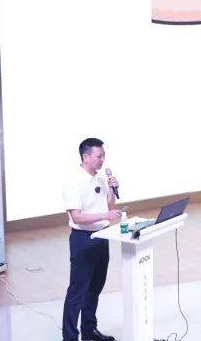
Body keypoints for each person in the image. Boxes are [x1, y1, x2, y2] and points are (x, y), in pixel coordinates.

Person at [61, 138, 121, 341]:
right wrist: (105, 215)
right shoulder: (74, 182)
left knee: (95, 287)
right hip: (83, 239)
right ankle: (70, 336)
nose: (102, 160)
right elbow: (77, 217)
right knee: (78, 290)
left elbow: (109, 206)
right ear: (85, 157)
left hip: (102, 237)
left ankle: (89, 330)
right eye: (99, 156)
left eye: (104, 156)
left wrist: (112, 191)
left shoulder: (100, 178)